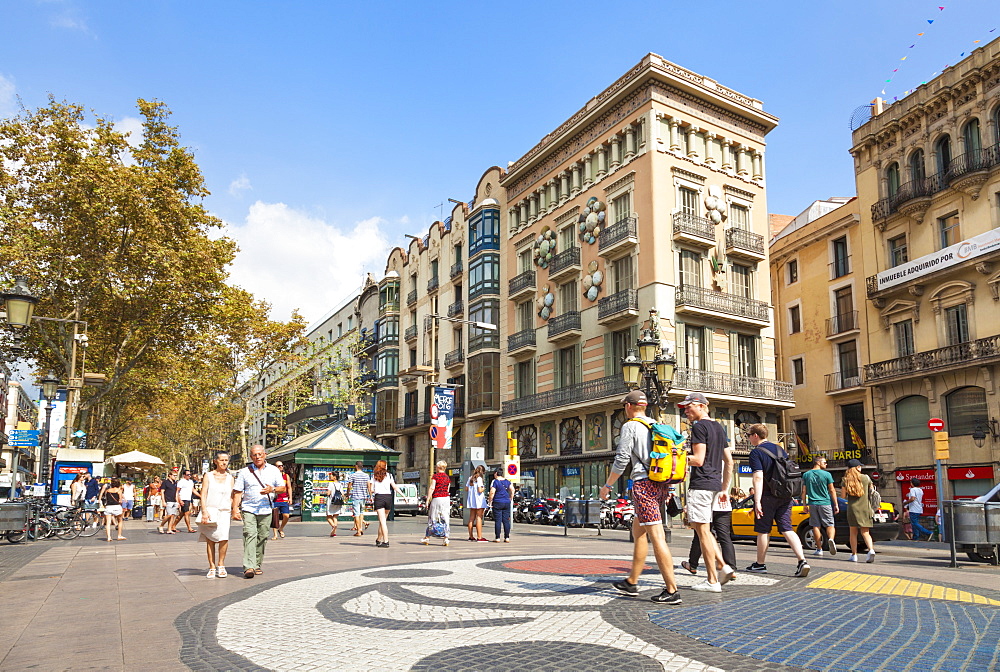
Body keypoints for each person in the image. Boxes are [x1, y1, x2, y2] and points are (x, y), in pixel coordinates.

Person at [600, 390, 682, 605]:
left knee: (657, 537)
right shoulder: (656, 424)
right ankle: (632, 581)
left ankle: (672, 590)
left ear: (628, 406)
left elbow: (622, 459)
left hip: (644, 485)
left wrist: (608, 485)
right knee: (638, 531)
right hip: (661, 484)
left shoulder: (630, 426)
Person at [678, 391, 736, 592]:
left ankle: (712, 580)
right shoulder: (719, 427)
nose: (685, 410)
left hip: (701, 484)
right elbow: (729, 461)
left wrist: (676, 456)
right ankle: (722, 565)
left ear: (702, 405)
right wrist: (724, 488)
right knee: (705, 530)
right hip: (714, 485)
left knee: (702, 532)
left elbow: (698, 459)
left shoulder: (699, 426)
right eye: (684, 408)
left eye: (689, 406)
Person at [746, 423, 810, 577]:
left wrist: (757, 500)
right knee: (787, 528)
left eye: (749, 436)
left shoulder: (756, 453)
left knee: (763, 530)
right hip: (785, 495)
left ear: (755, 436)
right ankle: (802, 560)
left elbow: (758, 477)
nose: (748, 439)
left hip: (768, 496)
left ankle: (760, 564)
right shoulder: (780, 449)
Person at [682, 446, 737, 579]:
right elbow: (730, 464)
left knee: (701, 533)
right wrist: (724, 490)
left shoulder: (705, 461)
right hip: (723, 503)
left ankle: (694, 565)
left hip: (707, 499)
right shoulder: (724, 460)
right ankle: (730, 567)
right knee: (724, 536)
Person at [232, 445, 286, 579]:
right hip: (248, 508)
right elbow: (237, 492)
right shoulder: (244, 472)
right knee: (250, 534)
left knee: (262, 536)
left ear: (265, 455)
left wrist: (272, 489)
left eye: (260, 454)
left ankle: (257, 564)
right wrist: (235, 509)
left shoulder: (274, 470)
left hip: (266, 508)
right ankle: (248, 566)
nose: (257, 457)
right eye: (254, 455)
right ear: (251, 457)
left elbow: (282, 488)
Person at [199, 451, 234, 578]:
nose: (224, 462)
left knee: (224, 538)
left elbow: (232, 495)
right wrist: (204, 511)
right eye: (222, 460)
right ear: (215, 461)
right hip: (211, 510)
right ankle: (212, 566)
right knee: (211, 539)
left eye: (226, 460)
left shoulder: (230, 478)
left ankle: (221, 564)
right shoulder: (208, 476)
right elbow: (203, 494)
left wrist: (232, 507)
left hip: (224, 511)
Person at [801, 455, 839, 556]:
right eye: (824, 462)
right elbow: (832, 490)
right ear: (818, 462)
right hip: (825, 503)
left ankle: (819, 549)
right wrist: (836, 504)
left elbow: (804, 491)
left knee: (815, 526)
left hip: (813, 504)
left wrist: (804, 504)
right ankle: (830, 539)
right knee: (830, 524)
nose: (826, 464)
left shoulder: (806, 475)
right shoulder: (827, 475)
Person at [842, 459, 876, 563]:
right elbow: (872, 491)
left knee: (853, 532)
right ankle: (871, 550)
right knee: (865, 532)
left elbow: (843, 496)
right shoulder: (866, 478)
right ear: (857, 467)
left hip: (852, 508)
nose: (861, 468)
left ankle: (854, 555)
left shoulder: (845, 480)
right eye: (860, 466)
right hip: (865, 507)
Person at [371, 459, 405, 548]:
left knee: (382, 522)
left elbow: (371, 489)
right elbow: (394, 487)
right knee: (383, 522)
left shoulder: (374, 476)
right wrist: (403, 496)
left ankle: (386, 541)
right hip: (388, 498)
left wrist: (372, 493)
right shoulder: (389, 475)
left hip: (379, 498)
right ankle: (378, 539)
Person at [421, 461, 451, 546]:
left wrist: (427, 500)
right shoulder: (447, 477)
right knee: (445, 517)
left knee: (432, 517)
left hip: (437, 498)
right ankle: (446, 538)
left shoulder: (436, 476)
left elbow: (432, 488)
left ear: (438, 467)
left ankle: (427, 538)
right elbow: (447, 490)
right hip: (446, 499)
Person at [346, 461, 372, 536]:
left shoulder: (353, 475)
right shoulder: (366, 476)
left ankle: (358, 531)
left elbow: (349, 486)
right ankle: (360, 528)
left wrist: (347, 494)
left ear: (356, 466)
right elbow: (369, 486)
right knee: (361, 512)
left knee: (356, 514)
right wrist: (370, 496)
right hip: (363, 497)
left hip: (356, 496)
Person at [489, 468, 514, 542]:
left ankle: (497, 538)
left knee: (498, 521)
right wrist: (510, 498)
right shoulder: (507, 481)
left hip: (497, 502)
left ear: (496, 473)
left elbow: (492, 492)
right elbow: (512, 490)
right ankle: (507, 537)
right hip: (506, 502)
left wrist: (490, 501)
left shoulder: (495, 481)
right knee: (506, 521)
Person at [270, 461, 293, 540]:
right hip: (275, 499)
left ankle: (281, 528)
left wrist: (290, 498)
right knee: (275, 517)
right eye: (278, 466)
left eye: (281, 466)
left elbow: (289, 487)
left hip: (284, 498)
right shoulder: (272, 476)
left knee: (286, 515)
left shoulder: (286, 476)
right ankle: (275, 534)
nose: (280, 467)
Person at [99, 478, 127, 542]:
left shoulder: (107, 490)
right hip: (117, 506)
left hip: (108, 507)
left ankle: (108, 537)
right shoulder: (119, 490)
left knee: (108, 523)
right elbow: (120, 500)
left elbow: (106, 498)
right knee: (120, 521)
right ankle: (119, 535)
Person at [466, 465, 487, 542]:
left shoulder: (470, 478)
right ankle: (479, 537)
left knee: (471, 518)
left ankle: (471, 536)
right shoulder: (479, 478)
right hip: (478, 500)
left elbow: (466, 488)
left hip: (472, 500)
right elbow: (479, 490)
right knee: (479, 517)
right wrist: (484, 488)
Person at [158, 470, 179, 534]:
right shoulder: (165, 482)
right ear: (170, 475)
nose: (175, 477)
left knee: (172, 515)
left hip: (174, 501)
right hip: (168, 500)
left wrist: (177, 501)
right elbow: (162, 492)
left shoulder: (175, 483)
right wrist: (163, 501)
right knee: (169, 514)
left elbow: (176, 493)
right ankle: (161, 525)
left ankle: (169, 529)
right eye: (174, 475)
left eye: (176, 475)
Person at [326, 473, 344, 537]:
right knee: (335, 517)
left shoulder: (331, 484)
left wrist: (326, 493)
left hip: (331, 502)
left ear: (334, 477)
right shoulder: (340, 484)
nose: (330, 476)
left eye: (331, 475)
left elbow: (328, 493)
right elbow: (342, 494)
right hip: (338, 502)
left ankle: (333, 526)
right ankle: (334, 532)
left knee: (328, 517)